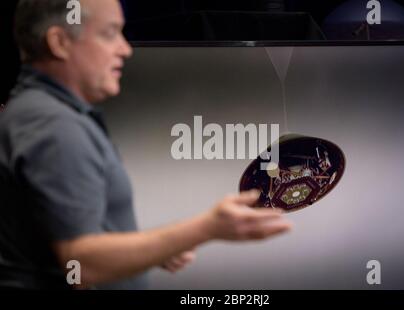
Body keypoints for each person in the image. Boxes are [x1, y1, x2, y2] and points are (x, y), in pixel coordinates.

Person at [0, 0, 292, 290]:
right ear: (60, 42)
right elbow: (81, 262)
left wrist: (151, 251)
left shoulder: (41, 113)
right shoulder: (53, 125)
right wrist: (207, 228)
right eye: (109, 33)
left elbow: (62, 230)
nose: (125, 49)